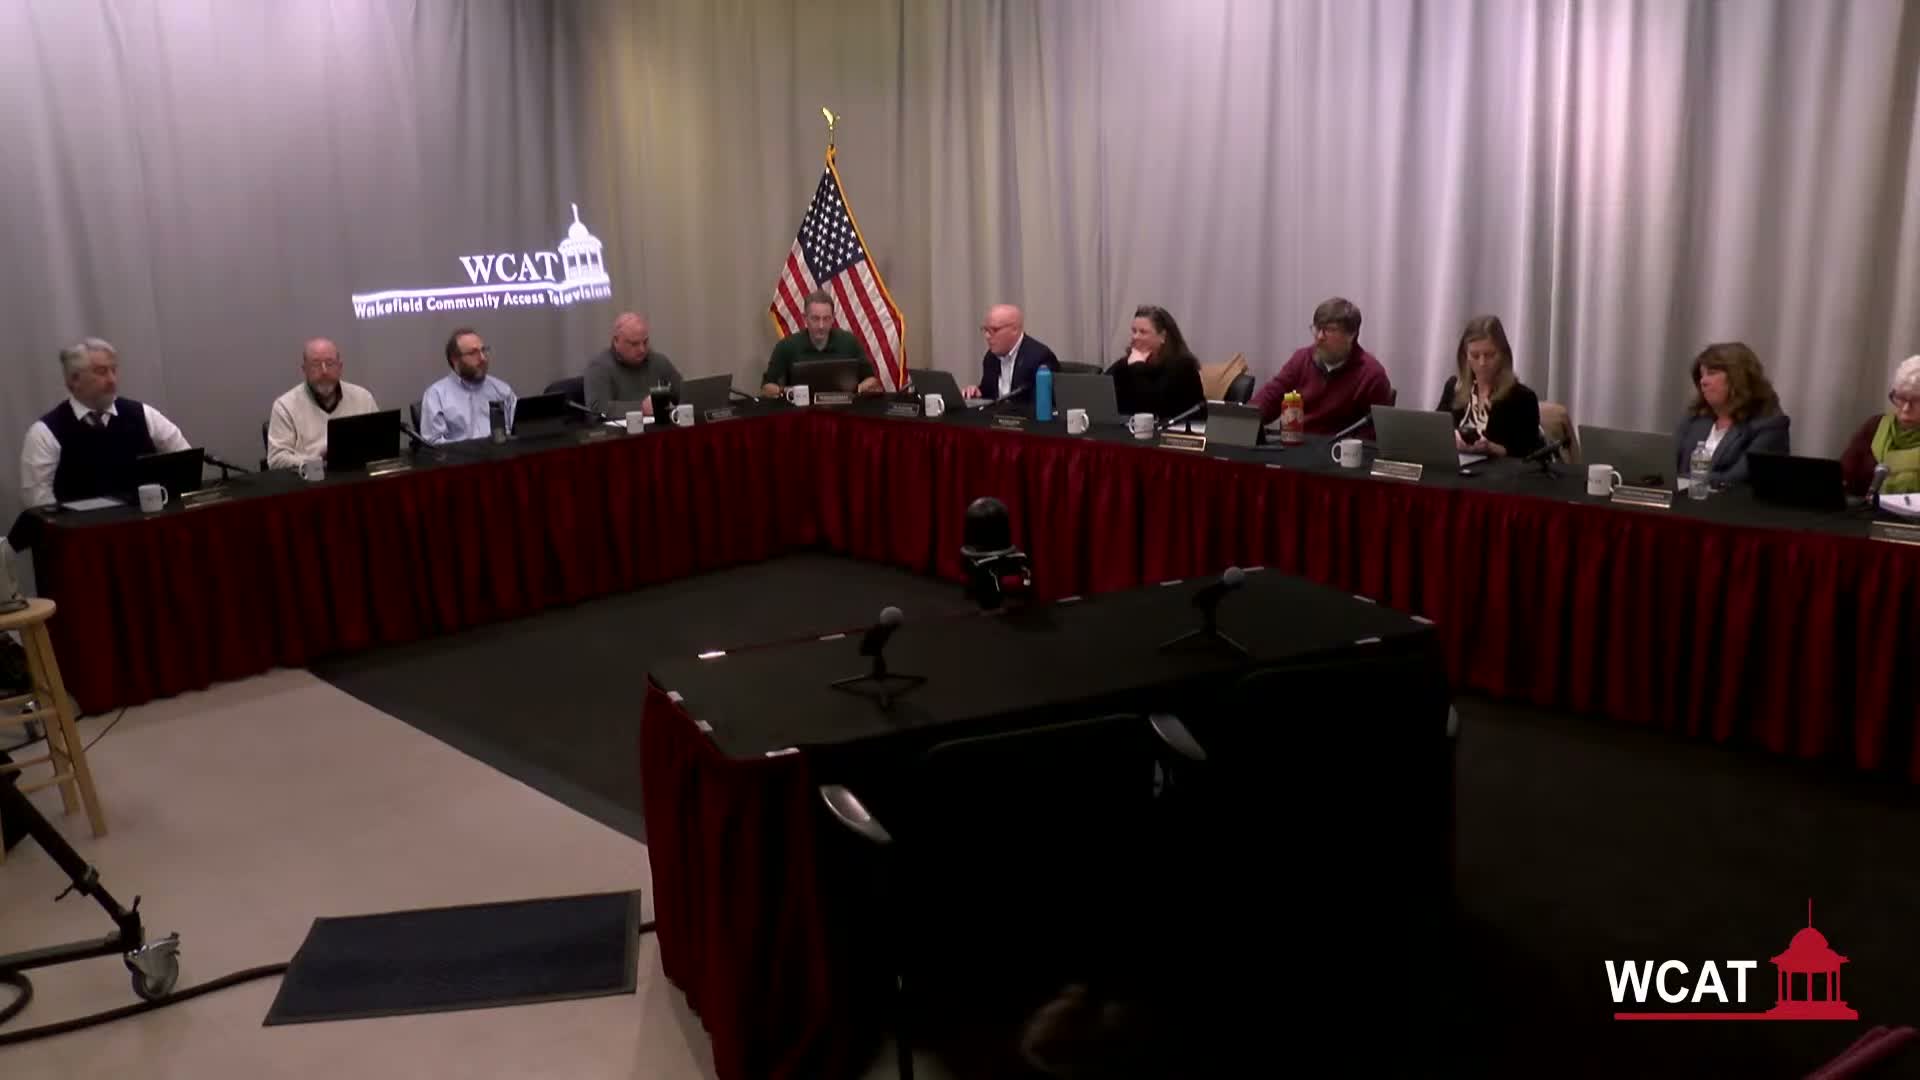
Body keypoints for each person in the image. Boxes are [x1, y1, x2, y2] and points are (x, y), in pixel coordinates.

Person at [20, 337, 190, 508]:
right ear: (74, 380)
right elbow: (40, 504)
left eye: (113, 370)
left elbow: (188, 462)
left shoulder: (143, 415)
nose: (112, 380)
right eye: (101, 372)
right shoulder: (45, 433)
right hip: (82, 524)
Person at [1251, 297, 1395, 436]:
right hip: (1295, 445)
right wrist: (1247, 419)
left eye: (1329, 330)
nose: (1320, 336)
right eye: (1317, 328)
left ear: (1351, 334)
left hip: (1339, 449)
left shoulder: (1371, 374)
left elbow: (1377, 432)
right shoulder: (1301, 359)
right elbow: (1272, 396)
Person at [1672, 342, 1789, 486]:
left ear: (1738, 377)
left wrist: (1678, 479)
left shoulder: (1770, 425)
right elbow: (1667, 465)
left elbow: (1736, 479)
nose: (1703, 381)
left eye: (1711, 373)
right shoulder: (1695, 418)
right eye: (1701, 375)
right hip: (1683, 498)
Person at [1434, 315, 1543, 459]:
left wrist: (1491, 448)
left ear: (1503, 355)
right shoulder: (1453, 387)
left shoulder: (1523, 398)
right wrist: (1451, 438)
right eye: (1475, 355)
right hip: (1455, 466)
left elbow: (1528, 455)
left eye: (1490, 355)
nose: (1482, 363)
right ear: (1465, 356)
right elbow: (1435, 432)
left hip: (1497, 470)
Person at [265, 338, 379, 470]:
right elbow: (276, 460)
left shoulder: (363, 398)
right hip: (311, 479)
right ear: (304, 370)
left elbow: (381, 444)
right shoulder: (285, 406)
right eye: (316, 364)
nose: (324, 371)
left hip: (359, 475)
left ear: (340, 367)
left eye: (330, 363)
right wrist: (316, 461)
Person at [761, 291, 881, 397]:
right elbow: (766, 388)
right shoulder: (786, 346)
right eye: (815, 318)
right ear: (805, 318)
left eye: (826, 318)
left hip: (842, 410)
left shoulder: (849, 342)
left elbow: (871, 380)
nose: (821, 326)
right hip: (801, 411)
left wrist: (857, 390)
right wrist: (788, 391)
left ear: (833, 318)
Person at [1105, 305, 1204, 421]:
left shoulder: (1183, 366)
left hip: (1175, 429)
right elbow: (1101, 389)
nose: (1135, 337)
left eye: (1143, 332)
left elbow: (1153, 407)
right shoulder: (1127, 363)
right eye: (1134, 331)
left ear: (1162, 336)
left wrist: (1137, 367)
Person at [1841, 354, 1920, 496]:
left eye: (1917, 401)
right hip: (1863, 509)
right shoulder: (1875, 426)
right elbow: (1844, 477)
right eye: (1901, 398)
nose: (1905, 408)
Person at [421, 327, 517, 444]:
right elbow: (434, 445)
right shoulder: (436, 395)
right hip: (459, 455)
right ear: (455, 359)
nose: (482, 358)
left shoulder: (502, 390)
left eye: (483, 350)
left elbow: (516, 433)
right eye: (473, 353)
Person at [585, 312, 683, 416]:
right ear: (616, 341)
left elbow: (683, 394)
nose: (642, 349)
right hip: (620, 426)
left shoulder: (658, 361)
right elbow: (597, 408)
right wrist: (641, 408)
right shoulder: (599, 367)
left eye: (645, 342)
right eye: (634, 344)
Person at [963, 304, 1059, 401]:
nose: (987, 336)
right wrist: (977, 392)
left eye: (994, 330)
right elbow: (989, 394)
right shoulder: (991, 357)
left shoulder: (1040, 357)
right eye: (986, 330)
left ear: (1015, 329)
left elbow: (1043, 403)